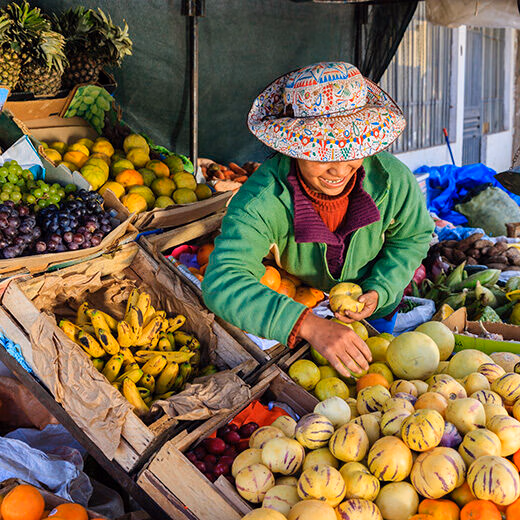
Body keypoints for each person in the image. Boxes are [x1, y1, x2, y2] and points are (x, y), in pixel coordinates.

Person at [201, 62, 434, 377]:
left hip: (373, 310)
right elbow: (223, 281)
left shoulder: (392, 179)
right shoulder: (262, 198)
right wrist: (306, 324)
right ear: (293, 148)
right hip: (295, 312)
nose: (338, 168)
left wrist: (380, 289)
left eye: (352, 149)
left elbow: (412, 237)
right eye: (321, 153)